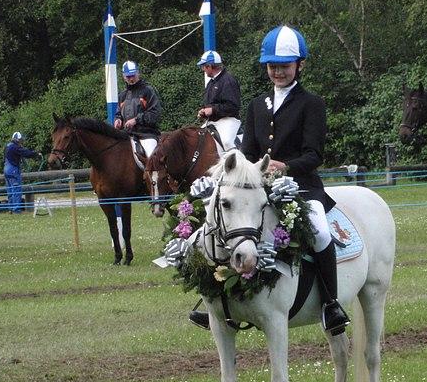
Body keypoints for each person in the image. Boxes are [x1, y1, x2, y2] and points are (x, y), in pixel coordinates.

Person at [189, 25, 350, 336]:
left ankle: (331, 304)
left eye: (284, 66)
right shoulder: (256, 105)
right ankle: (212, 299)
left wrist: (285, 166)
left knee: (318, 231)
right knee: (218, 221)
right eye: (273, 66)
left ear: (299, 65)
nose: (278, 72)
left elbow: (314, 154)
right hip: (257, 188)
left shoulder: (311, 103)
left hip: (301, 185)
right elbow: (248, 150)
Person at [114, 60, 162, 158]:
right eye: (128, 76)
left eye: (133, 75)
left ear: (138, 73)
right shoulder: (122, 95)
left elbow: (155, 113)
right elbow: (118, 113)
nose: (131, 79)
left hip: (146, 134)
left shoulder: (148, 90)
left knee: (152, 159)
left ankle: (156, 173)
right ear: (124, 76)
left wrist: (136, 120)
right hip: (126, 134)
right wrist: (118, 120)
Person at [196, 50, 242, 151]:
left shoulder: (228, 80)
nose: (203, 69)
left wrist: (213, 110)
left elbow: (233, 106)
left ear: (209, 66)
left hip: (229, 120)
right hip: (213, 121)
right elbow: (209, 105)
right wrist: (203, 112)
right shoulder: (211, 83)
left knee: (227, 142)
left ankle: (239, 165)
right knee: (196, 140)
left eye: (203, 66)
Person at [3, 132, 40, 213]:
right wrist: (36, 154)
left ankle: (11, 208)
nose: (21, 142)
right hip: (13, 170)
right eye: (21, 140)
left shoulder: (7, 146)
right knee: (16, 190)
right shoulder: (15, 147)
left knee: (10, 190)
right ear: (17, 139)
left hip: (6, 169)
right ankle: (16, 209)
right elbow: (26, 153)